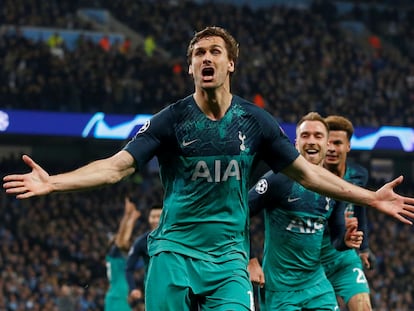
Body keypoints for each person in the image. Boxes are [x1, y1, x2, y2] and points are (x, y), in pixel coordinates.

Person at [3, 26, 414, 311]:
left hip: (229, 261)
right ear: (191, 67)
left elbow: (309, 173)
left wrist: (370, 196)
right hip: (174, 253)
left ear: (230, 64)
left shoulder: (255, 122)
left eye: (215, 51)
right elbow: (115, 168)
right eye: (199, 53)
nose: (206, 57)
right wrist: (53, 182)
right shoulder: (171, 120)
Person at [247, 112, 363, 310]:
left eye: (318, 136)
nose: (311, 141)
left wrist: (345, 241)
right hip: (280, 289)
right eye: (305, 135)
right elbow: (240, 214)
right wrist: (249, 259)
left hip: (316, 285)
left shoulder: (334, 187)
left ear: (327, 144)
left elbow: (336, 238)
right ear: (295, 143)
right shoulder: (275, 179)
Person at [321, 115, 374, 310]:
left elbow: (360, 212)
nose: (332, 149)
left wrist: (365, 248)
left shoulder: (359, 175)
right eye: (328, 143)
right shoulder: (308, 178)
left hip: (344, 260)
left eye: (337, 143)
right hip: (313, 262)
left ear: (348, 146)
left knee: (363, 307)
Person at [105, 197, 140, 311]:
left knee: (122, 242)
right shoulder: (114, 256)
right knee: (122, 241)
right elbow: (121, 238)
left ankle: (132, 215)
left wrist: (129, 217)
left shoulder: (115, 257)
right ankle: (132, 215)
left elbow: (121, 238)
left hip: (118, 298)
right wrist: (129, 217)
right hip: (117, 298)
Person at [126, 204, 162, 305]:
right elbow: (129, 268)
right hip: (152, 288)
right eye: (152, 217)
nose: (155, 220)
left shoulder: (176, 237)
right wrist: (133, 288)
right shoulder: (141, 241)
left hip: (175, 286)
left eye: (158, 216)